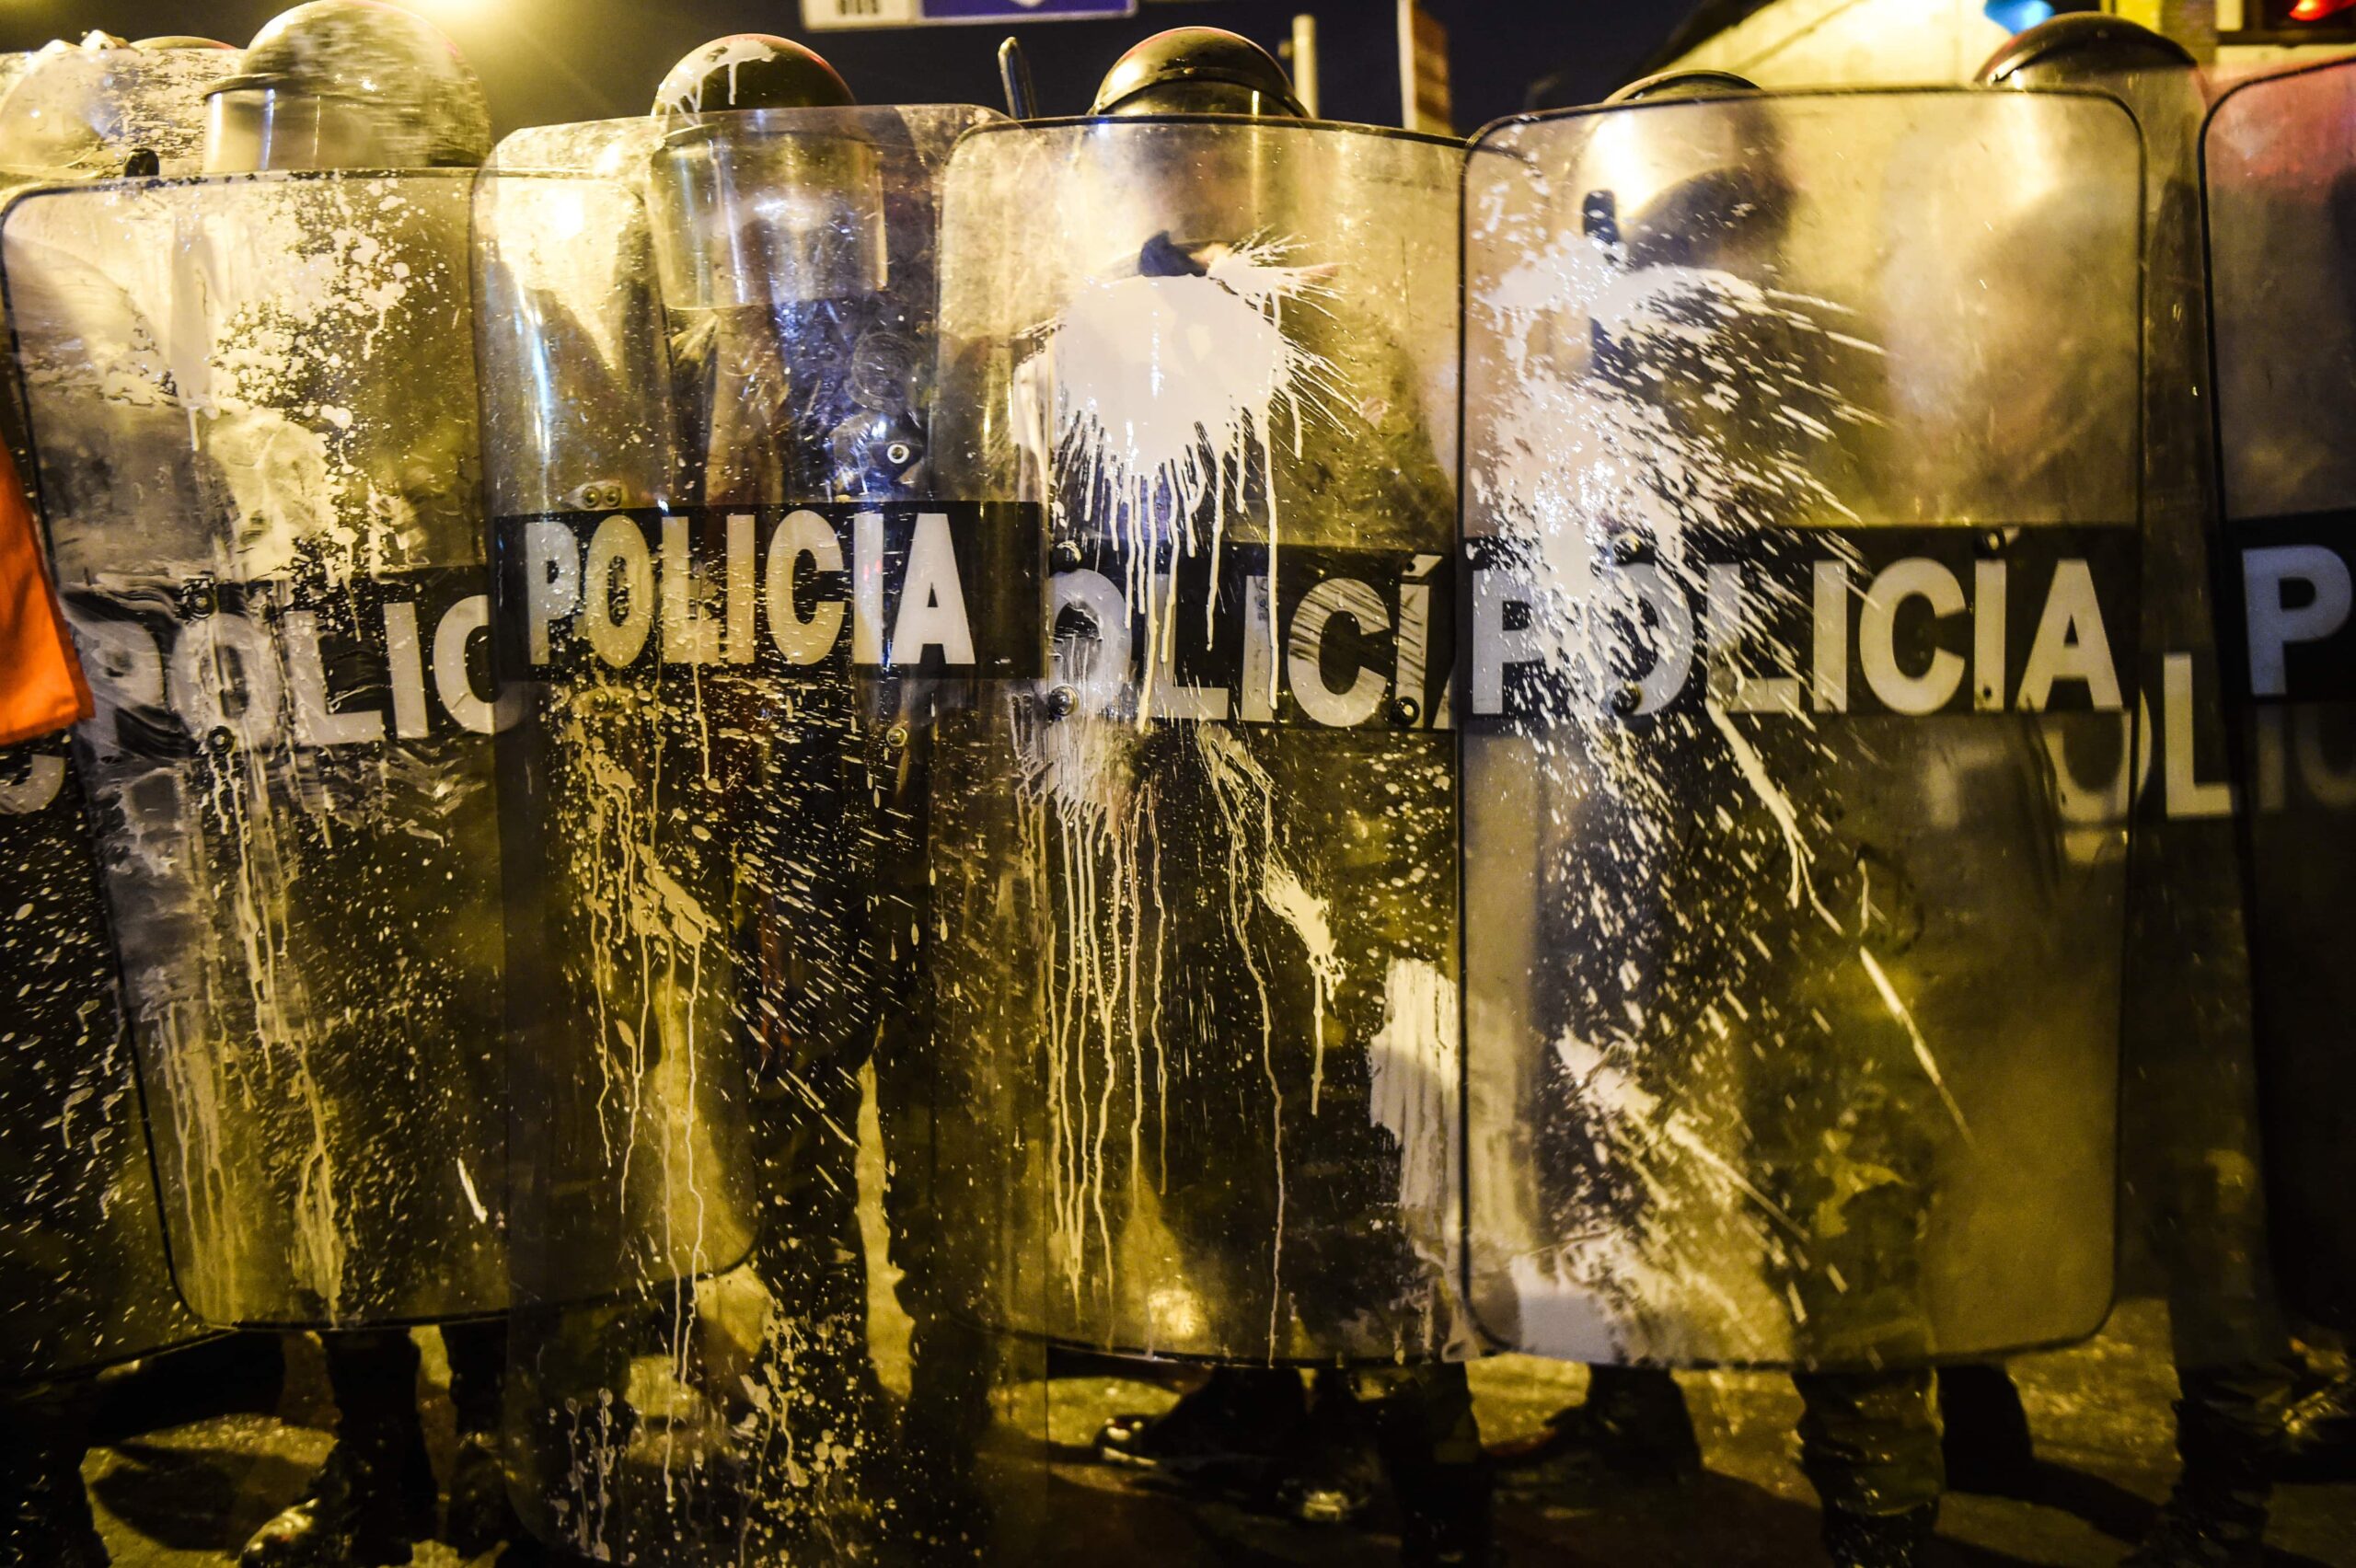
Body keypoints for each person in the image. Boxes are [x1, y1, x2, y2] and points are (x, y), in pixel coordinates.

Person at [927, 28, 1489, 1565]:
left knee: (1337, 1140)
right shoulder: (1082, 337)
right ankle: (1253, 1391)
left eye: (1216, 142)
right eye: (1163, 144)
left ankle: (1419, 1462)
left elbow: (1403, 563)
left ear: (1265, 163)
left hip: (1314, 817)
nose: (1191, 168)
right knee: (1193, 1121)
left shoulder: (1337, 336)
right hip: (1148, 818)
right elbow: (1041, 565)